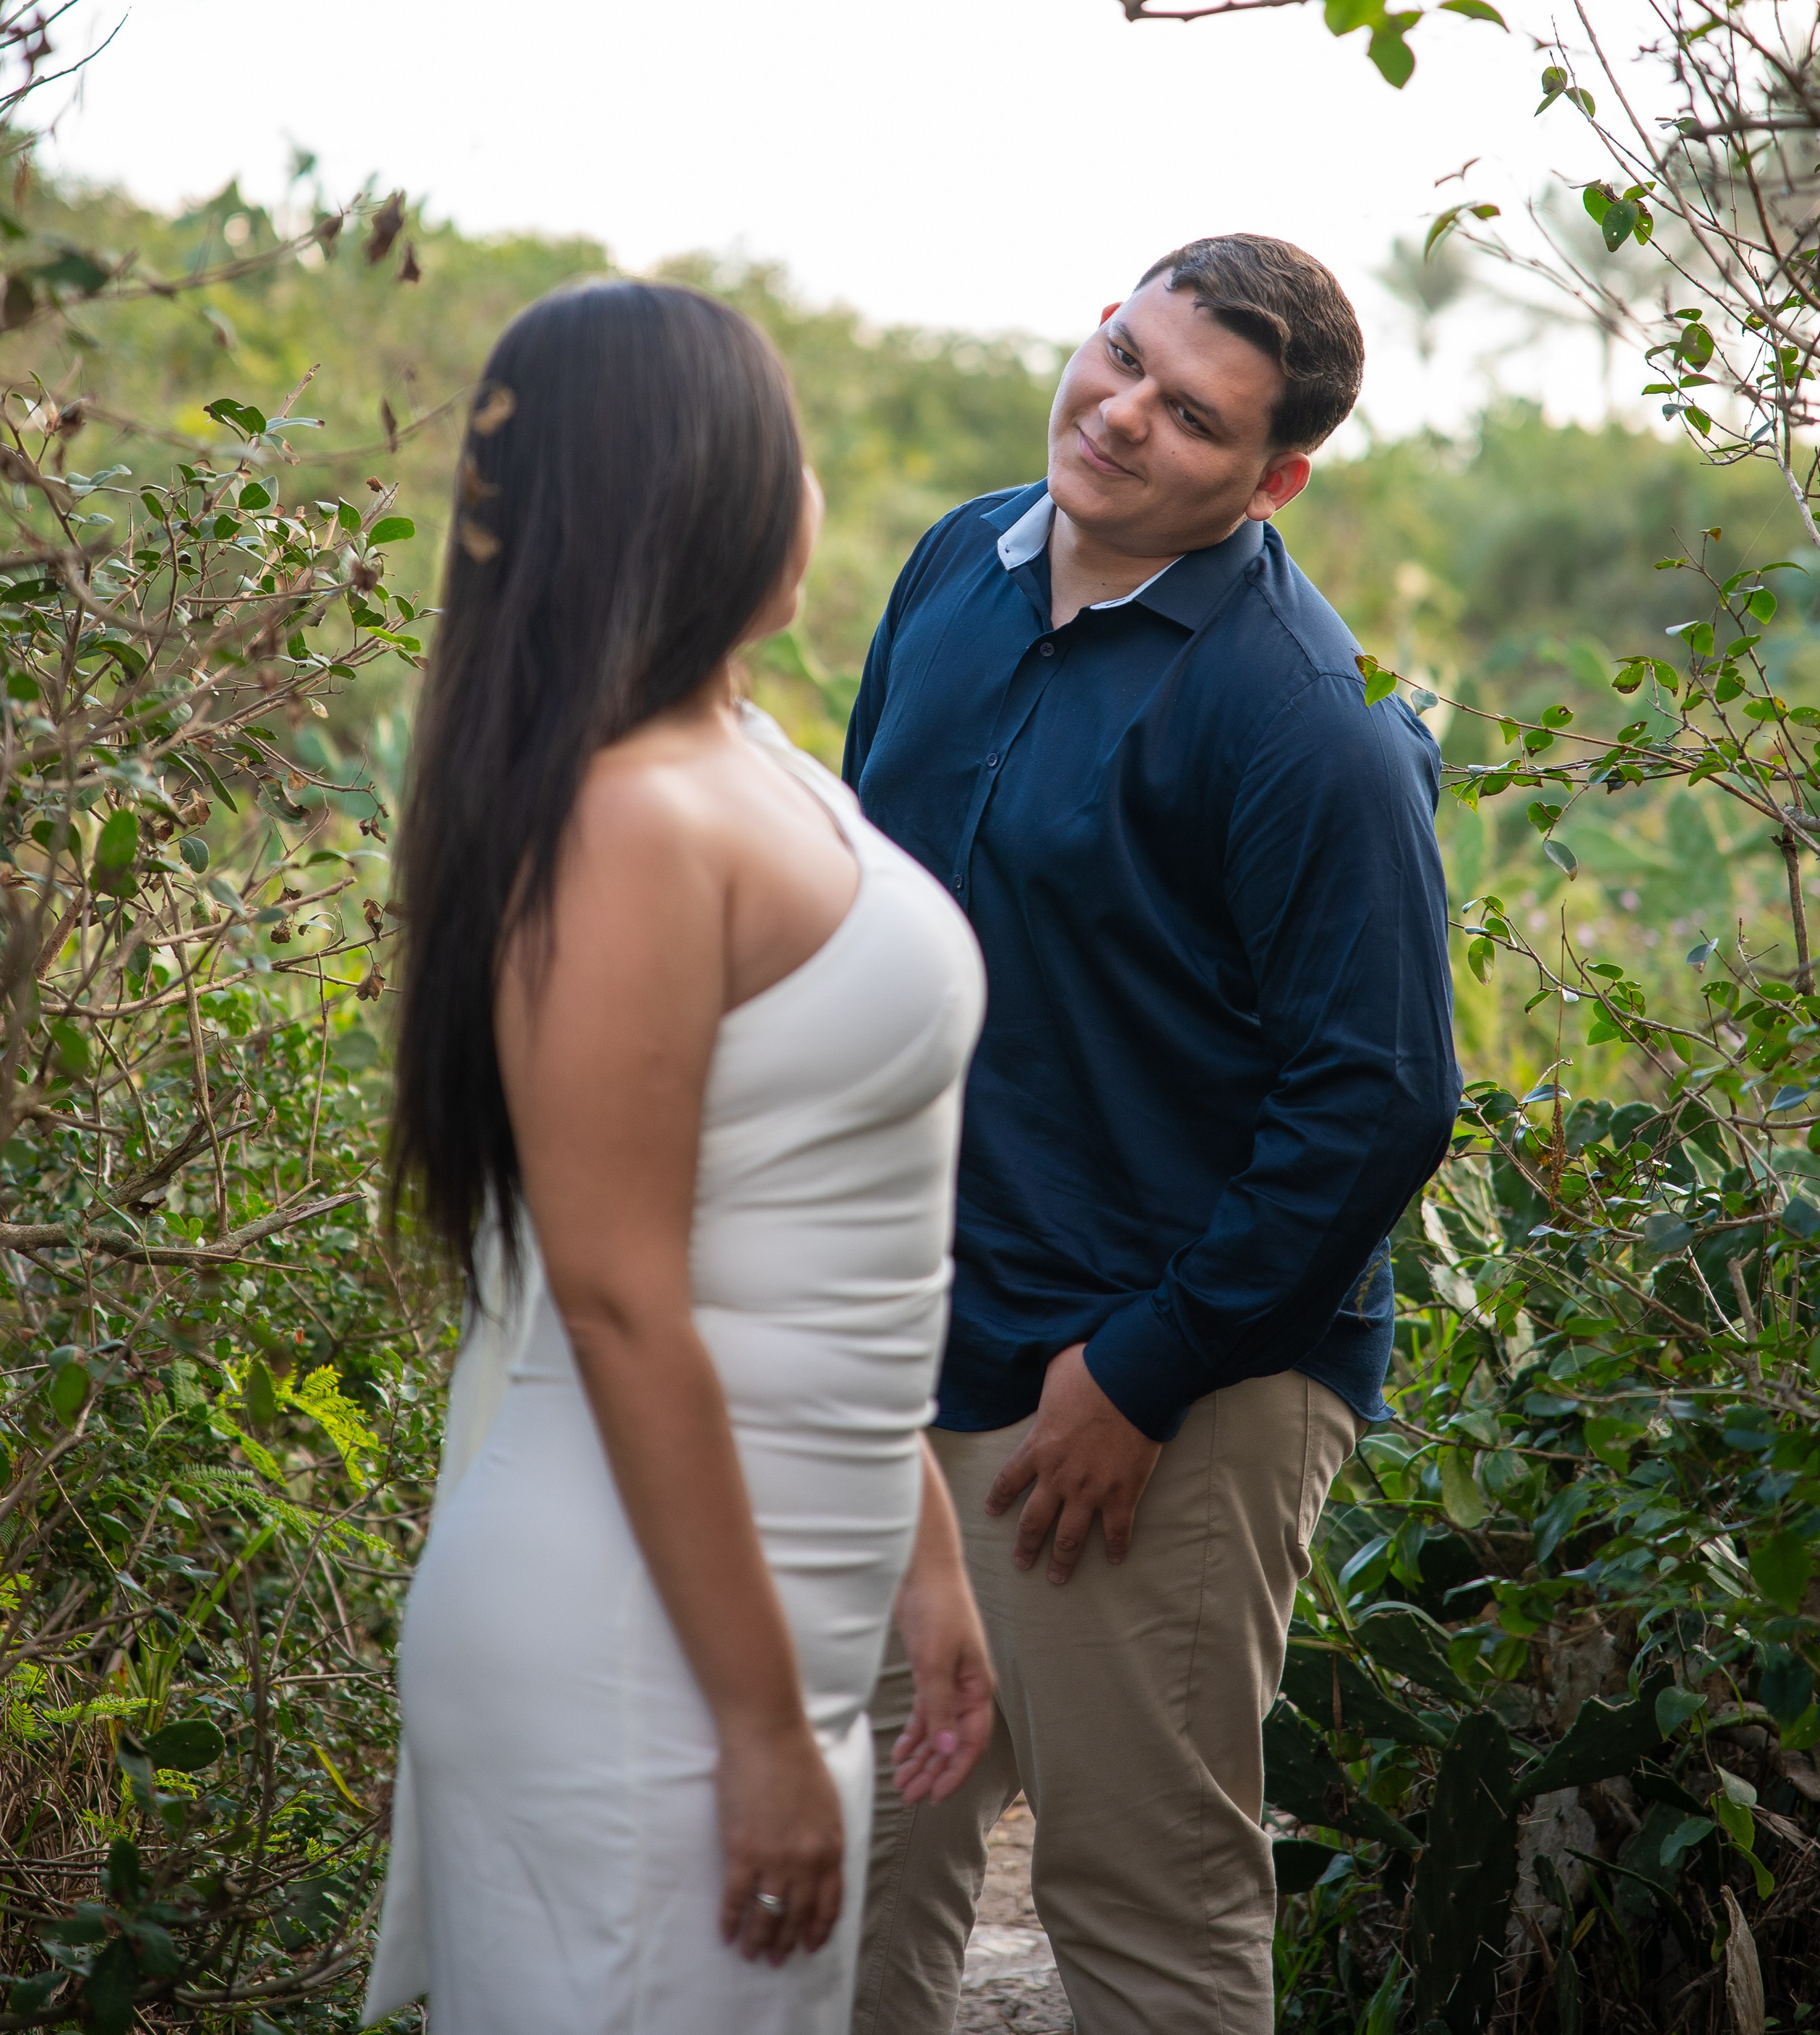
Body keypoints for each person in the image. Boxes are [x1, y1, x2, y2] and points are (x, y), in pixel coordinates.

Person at [363, 279, 995, 2035]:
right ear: (705, 492)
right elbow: (626, 1295)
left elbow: (804, 1225)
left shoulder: (743, 756)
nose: (809, 493)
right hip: (640, 1658)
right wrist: (757, 1730)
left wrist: (921, 1551)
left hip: (766, 1611)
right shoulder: (628, 817)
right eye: (784, 450)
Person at [844, 233, 1459, 2035]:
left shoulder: (1305, 723)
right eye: (1117, 353)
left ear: (1272, 481)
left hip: (1167, 1377)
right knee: (857, 1853)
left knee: (1140, 1906)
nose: (1114, 414)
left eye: (1185, 416)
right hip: (924, 1338)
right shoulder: (959, 562)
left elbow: (1379, 1100)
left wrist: (1143, 1370)